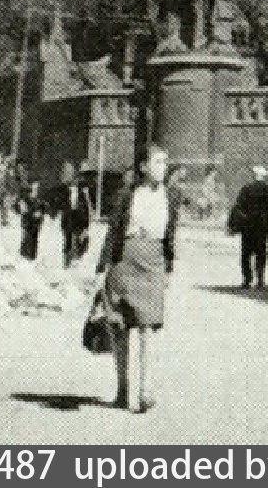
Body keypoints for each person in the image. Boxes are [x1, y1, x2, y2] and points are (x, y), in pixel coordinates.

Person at [97, 145, 177, 415]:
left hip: (153, 261)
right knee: (119, 326)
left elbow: (170, 236)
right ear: (144, 166)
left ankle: (145, 389)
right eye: (158, 161)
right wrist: (102, 266)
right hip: (125, 259)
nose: (163, 166)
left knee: (148, 326)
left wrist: (168, 268)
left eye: (165, 161)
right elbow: (114, 229)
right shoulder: (128, 194)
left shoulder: (171, 196)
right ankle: (122, 386)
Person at [228, 164, 268, 288]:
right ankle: (260, 278)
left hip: (248, 224)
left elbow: (239, 205)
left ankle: (247, 279)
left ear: (253, 176)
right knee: (261, 252)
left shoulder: (246, 188)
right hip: (262, 224)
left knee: (246, 252)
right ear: (263, 176)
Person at [63, 170, 95, 268]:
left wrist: (90, 212)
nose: (75, 183)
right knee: (69, 239)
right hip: (69, 217)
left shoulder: (84, 192)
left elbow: (88, 206)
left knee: (82, 238)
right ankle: (67, 261)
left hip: (80, 218)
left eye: (76, 181)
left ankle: (76, 257)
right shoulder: (66, 191)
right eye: (74, 181)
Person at [17, 171, 45, 261]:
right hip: (27, 217)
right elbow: (20, 203)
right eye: (34, 184)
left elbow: (44, 206)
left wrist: (40, 212)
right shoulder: (25, 194)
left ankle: (32, 255)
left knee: (35, 235)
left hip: (37, 218)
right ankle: (24, 252)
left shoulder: (41, 195)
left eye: (37, 185)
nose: (35, 186)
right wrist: (22, 207)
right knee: (27, 234)